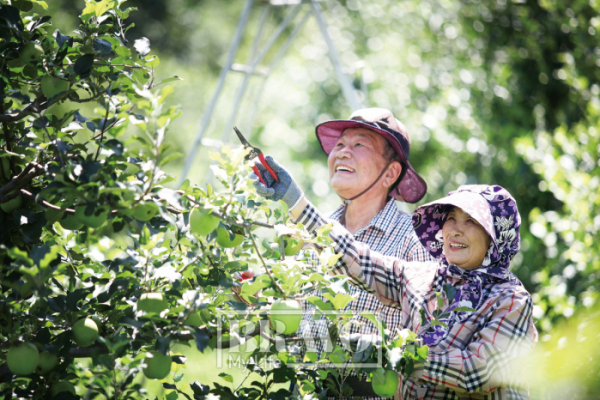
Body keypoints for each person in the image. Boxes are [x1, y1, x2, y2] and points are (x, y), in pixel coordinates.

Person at [255, 172, 538, 398]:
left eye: (471, 221)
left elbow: (477, 371)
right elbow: (355, 258)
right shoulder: (422, 278)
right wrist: (295, 200)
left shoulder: (509, 299)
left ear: (495, 237)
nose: (455, 229)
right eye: (450, 218)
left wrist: (394, 353)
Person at [252, 108, 433, 399]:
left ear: (390, 173)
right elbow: (288, 327)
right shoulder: (305, 233)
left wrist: (295, 202)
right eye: (339, 144)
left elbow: (424, 353)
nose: (343, 152)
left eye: (359, 144)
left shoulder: (414, 242)